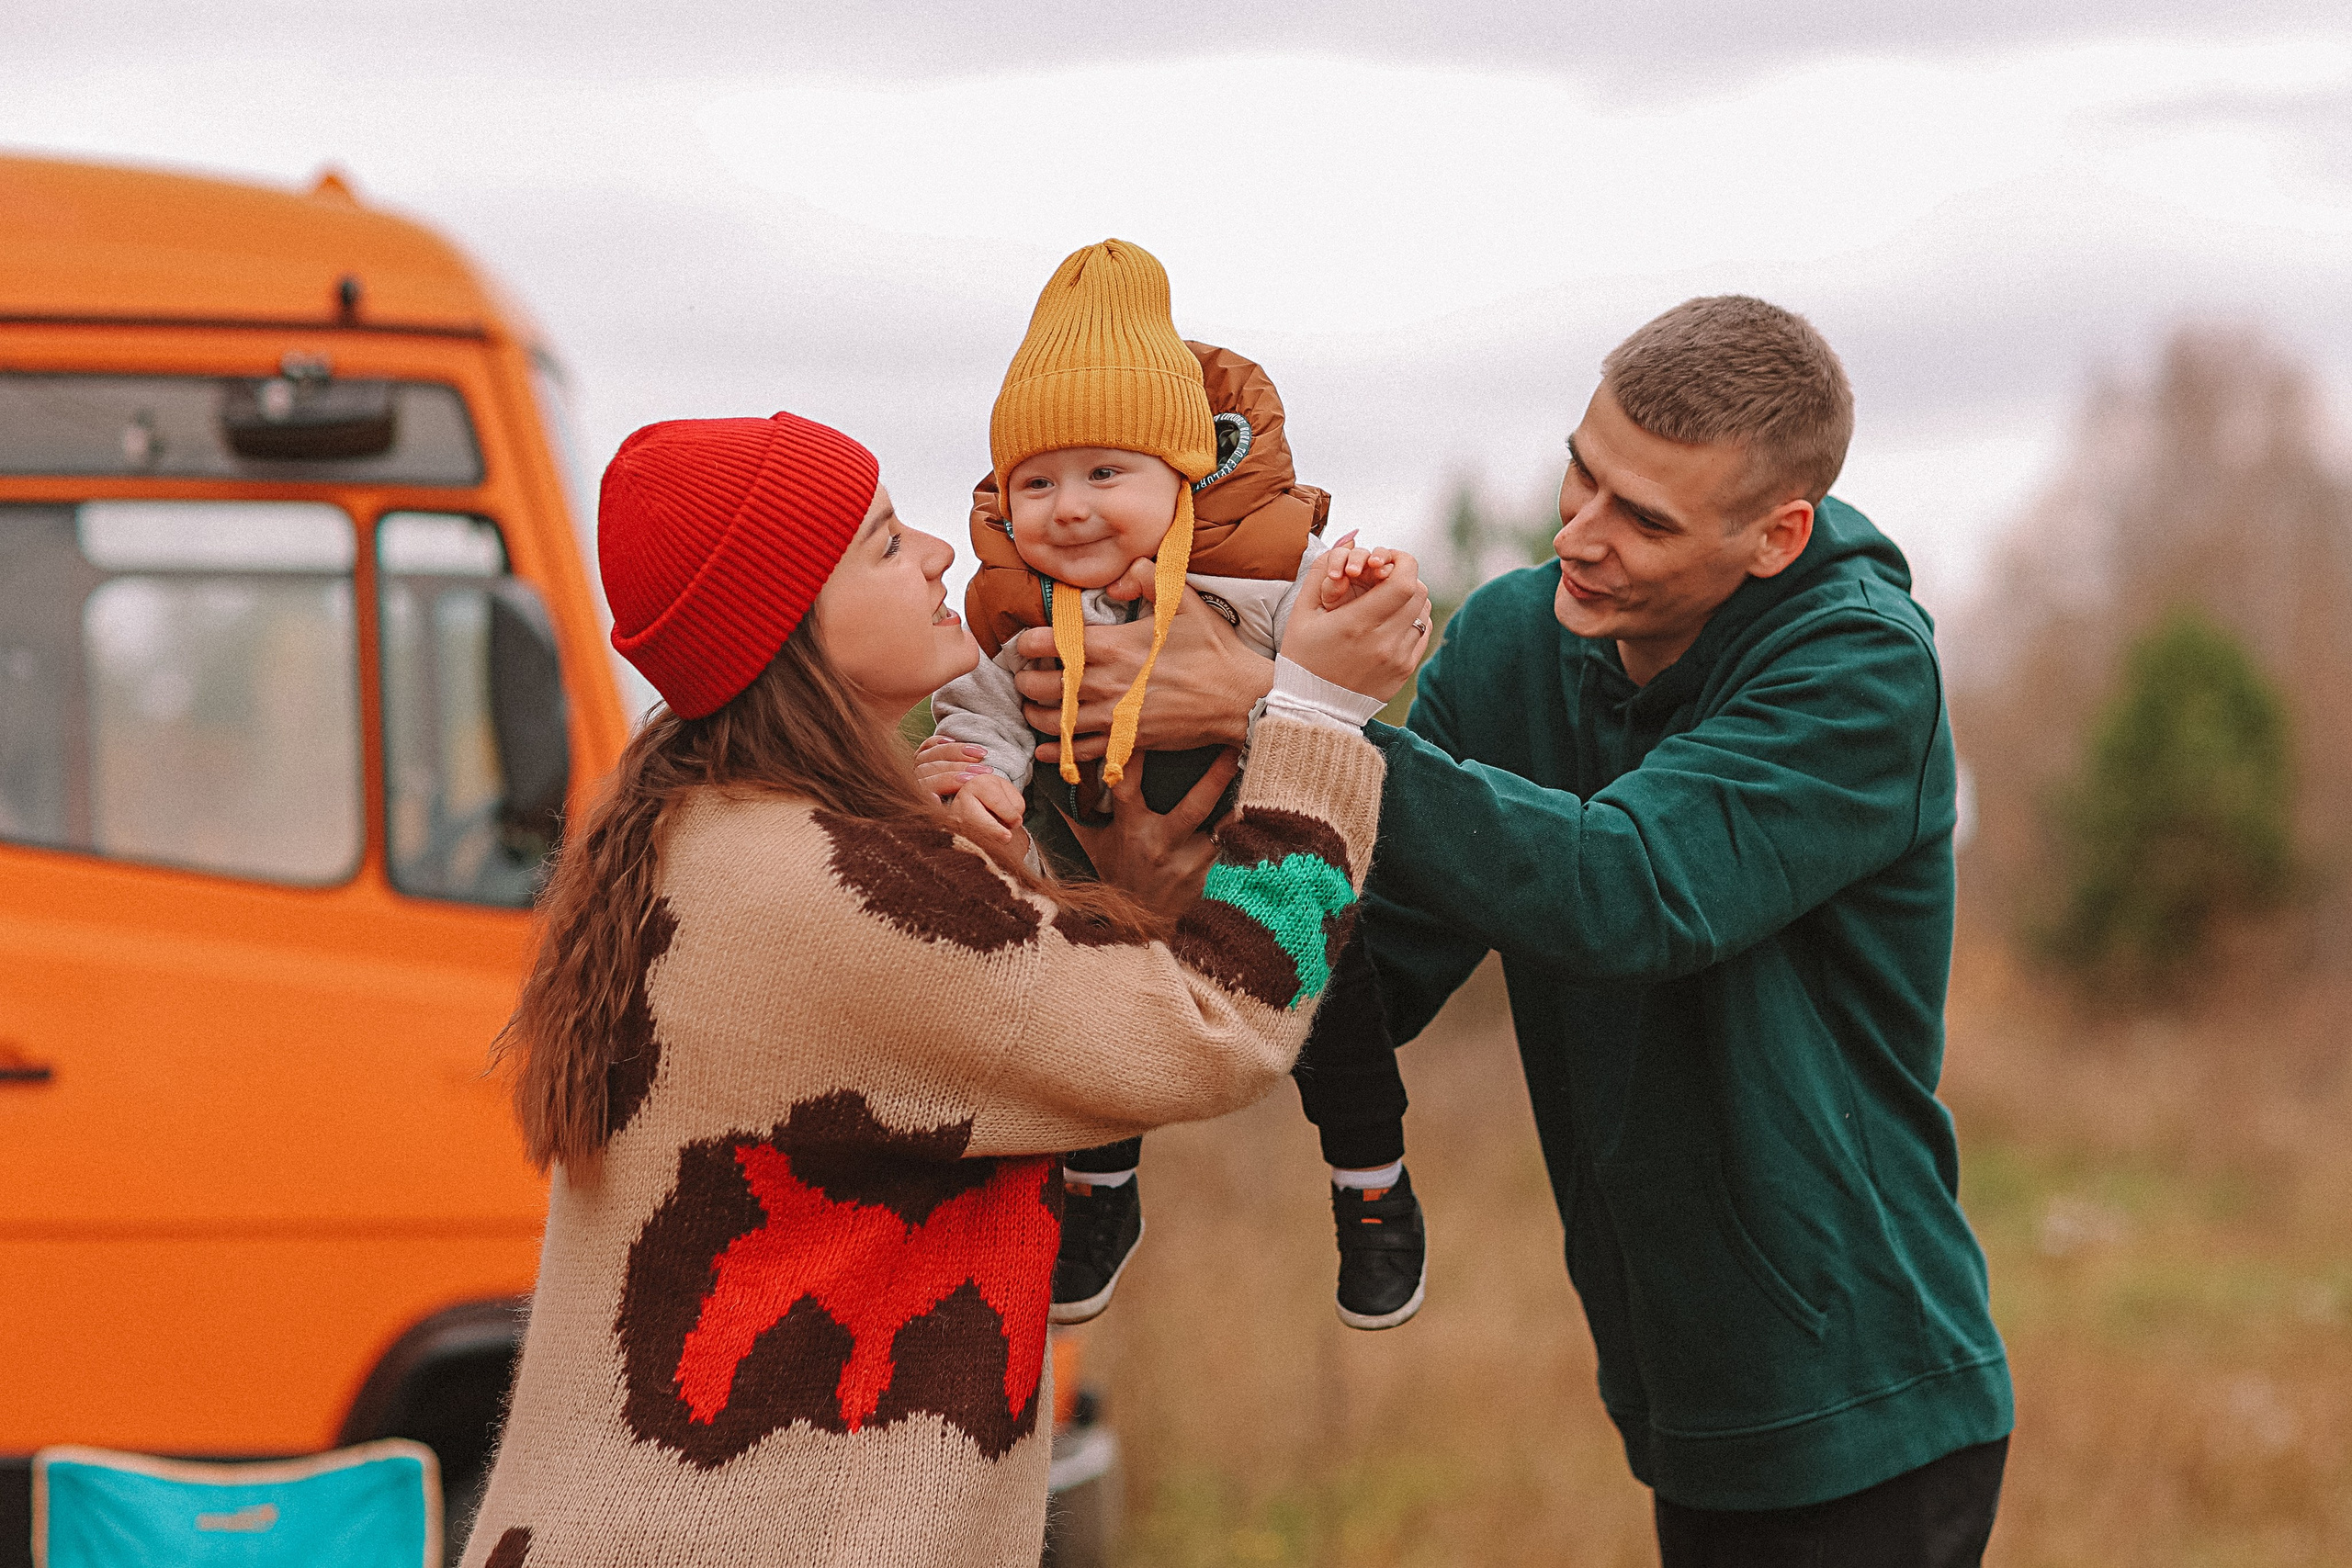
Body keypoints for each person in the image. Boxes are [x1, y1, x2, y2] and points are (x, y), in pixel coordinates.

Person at [1013, 297, 2015, 1567]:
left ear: (1777, 535)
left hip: (1865, 1386)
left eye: (1643, 518)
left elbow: (1629, 889)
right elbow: (1381, 961)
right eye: (1581, 476)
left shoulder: (1861, 676)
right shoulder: (1517, 643)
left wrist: (1295, 707)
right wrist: (1149, 892)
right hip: (1678, 1382)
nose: (1577, 538)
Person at [462, 409, 1429, 1568]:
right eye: (881, 541)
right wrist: (1314, 713)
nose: (937, 552)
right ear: (786, 628)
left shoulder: (710, 829)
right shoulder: (844, 883)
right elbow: (1211, 1032)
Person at [920, 239, 1429, 1332]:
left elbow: (1341, 668)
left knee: (1341, 1010)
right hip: (1104, 880)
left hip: (1269, 860)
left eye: (1108, 474)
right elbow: (978, 717)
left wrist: (1355, 597)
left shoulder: (1252, 587)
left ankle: (1372, 1186)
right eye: (1037, 482)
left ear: (1179, 480)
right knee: (1088, 1029)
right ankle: (1099, 1194)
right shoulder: (1010, 623)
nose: (1069, 508)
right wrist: (972, 779)